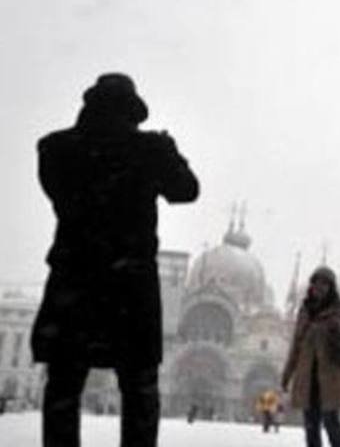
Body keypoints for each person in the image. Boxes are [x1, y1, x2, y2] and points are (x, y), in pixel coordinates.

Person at [31, 73, 199, 447]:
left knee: (63, 382)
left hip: (73, 281)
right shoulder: (149, 150)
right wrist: (170, 152)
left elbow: (60, 193)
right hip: (130, 286)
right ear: (133, 112)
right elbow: (187, 191)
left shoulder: (56, 149)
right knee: (139, 385)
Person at [282, 266, 340, 447]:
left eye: (325, 284)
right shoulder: (304, 311)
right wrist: (287, 374)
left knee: (332, 424)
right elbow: (296, 344)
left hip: (332, 379)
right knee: (311, 427)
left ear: (331, 287)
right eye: (316, 283)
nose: (320, 287)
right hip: (308, 378)